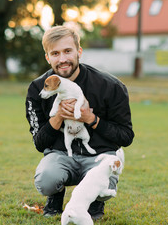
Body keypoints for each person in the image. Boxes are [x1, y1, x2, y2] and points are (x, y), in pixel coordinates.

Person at [25, 25, 134, 219]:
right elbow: (39, 143)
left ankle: (94, 203)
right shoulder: (37, 89)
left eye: (68, 51)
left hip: (98, 155)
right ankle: (55, 199)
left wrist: (90, 119)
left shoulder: (111, 86)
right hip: (61, 154)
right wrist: (58, 116)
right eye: (55, 53)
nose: (62, 59)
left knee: (105, 180)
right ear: (47, 58)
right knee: (46, 178)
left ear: (79, 52)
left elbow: (125, 136)